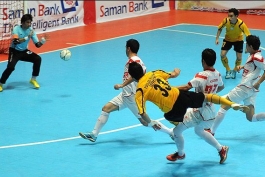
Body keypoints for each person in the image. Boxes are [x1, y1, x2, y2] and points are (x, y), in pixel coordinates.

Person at [128, 61, 249, 160]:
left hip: (174, 110)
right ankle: (230, 107)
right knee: (205, 101)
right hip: (182, 96)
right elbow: (174, 74)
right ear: (143, 70)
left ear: (133, 78)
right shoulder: (154, 73)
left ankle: (181, 154)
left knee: (176, 129)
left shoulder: (140, 90)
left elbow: (142, 113)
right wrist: (176, 71)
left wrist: (152, 123)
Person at [79, 39, 173, 142]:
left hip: (131, 96)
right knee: (106, 108)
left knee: (145, 122)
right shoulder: (137, 61)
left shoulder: (134, 61)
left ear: (128, 48)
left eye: (125, 47)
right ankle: (94, 134)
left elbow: (135, 76)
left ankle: (171, 133)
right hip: (125, 95)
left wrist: (121, 85)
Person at [166, 48, 228, 164]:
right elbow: (222, 87)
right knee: (199, 131)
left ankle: (181, 154)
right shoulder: (218, 74)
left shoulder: (201, 75)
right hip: (210, 113)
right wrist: (210, 95)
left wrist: (170, 89)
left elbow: (186, 87)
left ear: (203, 61)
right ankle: (221, 149)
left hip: (198, 112)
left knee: (176, 132)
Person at [209, 35, 265, 135]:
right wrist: (243, 67)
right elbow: (254, 67)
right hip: (251, 91)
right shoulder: (253, 55)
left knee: (224, 106)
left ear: (251, 46)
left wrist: (259, 82)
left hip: (245, 88)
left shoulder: (257, 57)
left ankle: (211, 131)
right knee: (251, 117)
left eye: (247, 45)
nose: (245, 47)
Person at [0, 14, 48, 92]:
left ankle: (33, 79)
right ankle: (1, 83)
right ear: (22, 22)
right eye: (27, 22)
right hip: (14, 51)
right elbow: (16, 41)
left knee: (38, 59)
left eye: (30, 22)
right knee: (11, 67)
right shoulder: (16, 29)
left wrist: (42, 41)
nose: (29, 24)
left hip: (24, 51)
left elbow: (37, 45)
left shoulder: (31, 31)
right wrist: (27, 37)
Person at [215, 8, 251, 79]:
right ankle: (228, 70)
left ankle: (234, 70)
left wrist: (247, 47)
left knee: (239, 57)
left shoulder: (241, 24)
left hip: (238, 40)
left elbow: (248, 36)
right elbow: (220, 28)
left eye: (231, 16)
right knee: (222, 55)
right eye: (228, 16)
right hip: (228, 39)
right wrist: (217, 38)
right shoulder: (226, 21)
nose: (229, 17)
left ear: (236, 16)